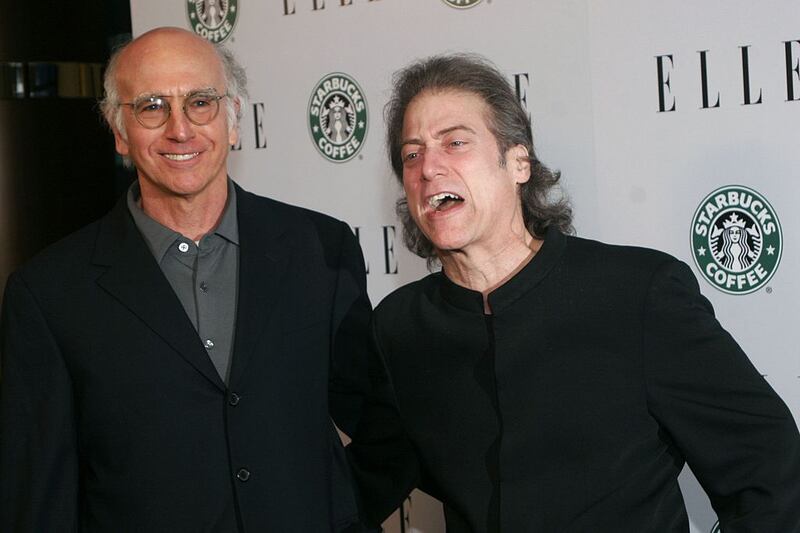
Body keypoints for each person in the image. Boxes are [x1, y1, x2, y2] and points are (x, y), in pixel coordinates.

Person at [351, 54, 800, 531]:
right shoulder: (400, 328)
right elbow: (361, 484)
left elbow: (769, 471)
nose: (429, 168)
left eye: (455, 143)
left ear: (518, 162)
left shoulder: (636, 294)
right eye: (412, 154)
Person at [0, 27, 373, 532]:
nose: (181, 128)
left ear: (233, 119)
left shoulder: (321, 250)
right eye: (152, 106)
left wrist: (343, 517)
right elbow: (39, 498)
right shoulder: (48, 295)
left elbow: (381, 426)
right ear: (119, 132)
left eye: (200, 102)